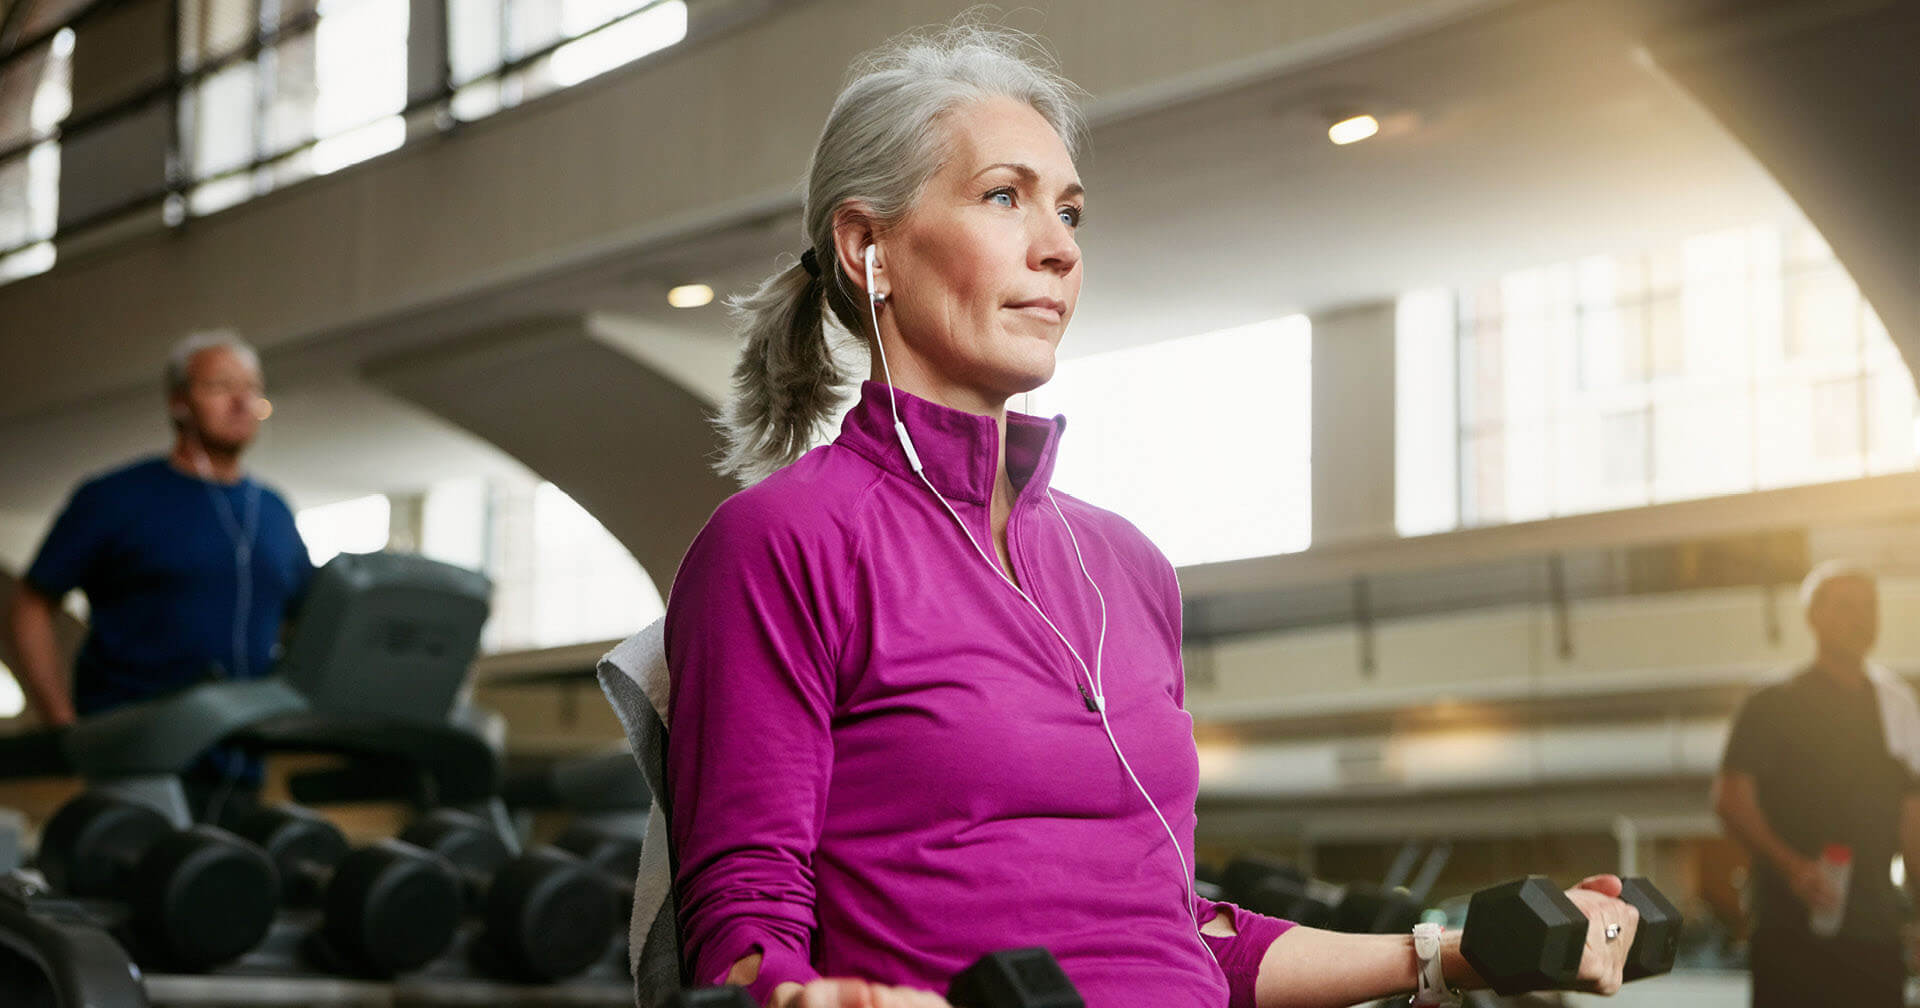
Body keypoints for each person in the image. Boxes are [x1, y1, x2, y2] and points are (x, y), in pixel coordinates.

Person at [664, 23, 1639, 1008]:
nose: (1057, 250)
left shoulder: (1124, 565)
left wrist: (1450, 953)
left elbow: (1177, 932)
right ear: (868, 245)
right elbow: (744, 920)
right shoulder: (782, 544)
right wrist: (805, 999)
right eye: (1004, 197)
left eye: (1072, 212)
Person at [5, 330, 314, 819]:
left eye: (252, 388)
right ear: (179, 403)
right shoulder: (115, 499)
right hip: (136, 759)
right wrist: (62, 726)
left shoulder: (274, 511)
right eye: (220, 386)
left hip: (243, 764)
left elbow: (310, 620)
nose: (241, 401)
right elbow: (30, 605)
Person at [1714, 562, 1920, 1007]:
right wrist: (1794, 867)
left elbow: (1912, 818)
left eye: (1869, 607)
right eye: (1845, 606)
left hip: (1875, 934)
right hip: (1792, 933)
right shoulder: (1773, 702)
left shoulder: (1896, 703)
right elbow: (1732, 800)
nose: (1860, 618)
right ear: (1814, 618)